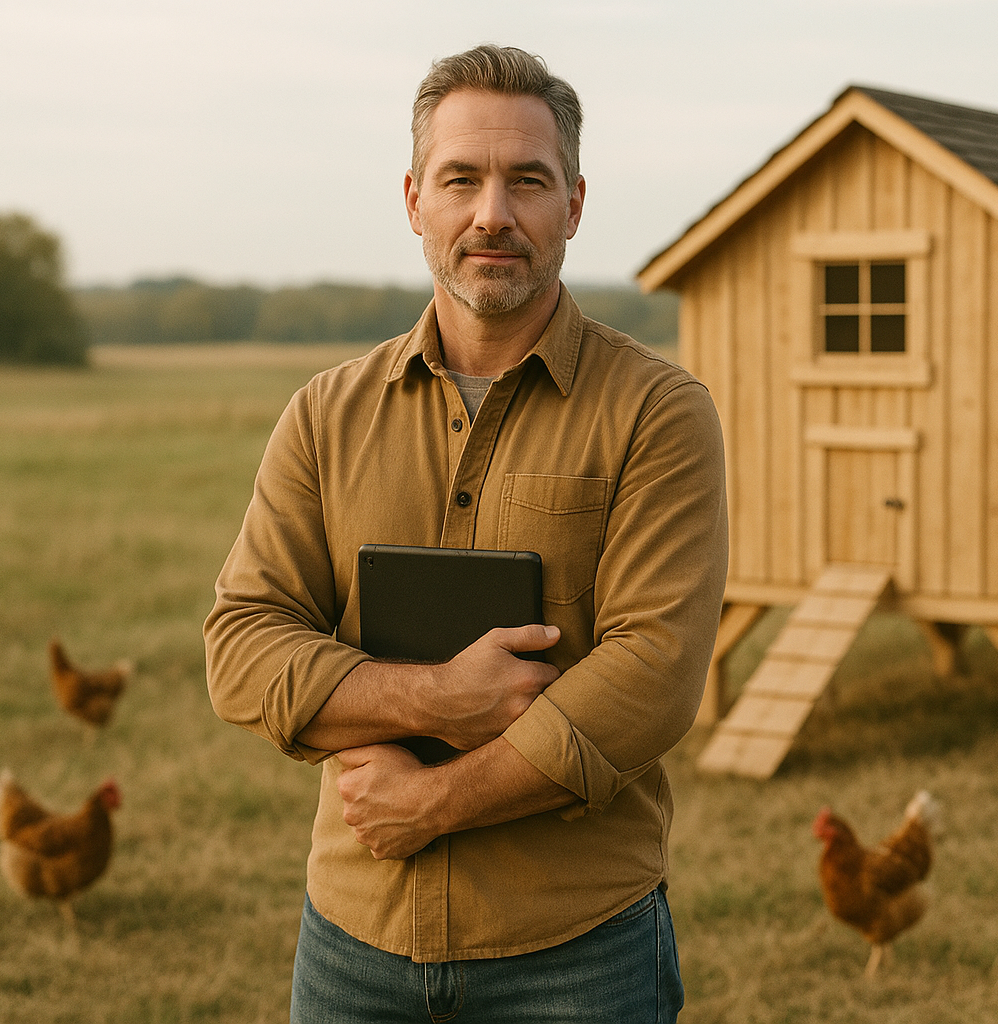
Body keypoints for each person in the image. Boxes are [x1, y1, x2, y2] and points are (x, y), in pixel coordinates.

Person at [203, 44, 727, 1023]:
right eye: (463, 179)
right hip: (351, 944)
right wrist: (443, 698)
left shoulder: (660, 412)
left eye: (528, 181)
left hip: (578, 954)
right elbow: (242, 647)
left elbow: (653, 676)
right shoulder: (324, 413)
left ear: (572, 204)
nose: (494, 213)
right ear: (415, 200)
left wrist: (439, 800)